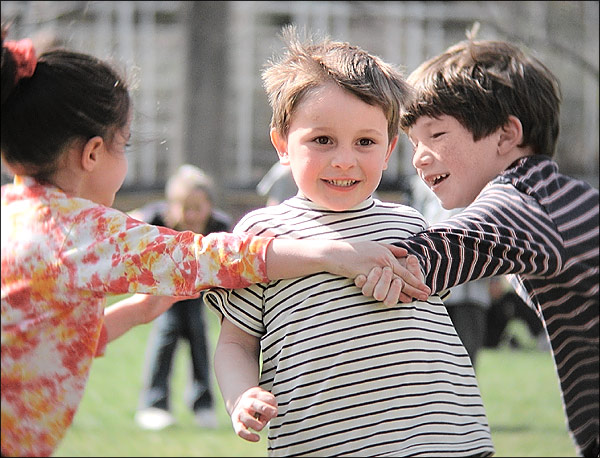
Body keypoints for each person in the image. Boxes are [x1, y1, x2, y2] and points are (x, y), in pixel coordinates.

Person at [0, 30, 429, 457]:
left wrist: (137, 312)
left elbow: (38, 340)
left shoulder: (14, 214)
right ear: (92, 153)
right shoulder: (79, 231)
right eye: (124, 144)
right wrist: (330, 253)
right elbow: (209, 258)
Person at [204, 26, 494, 457]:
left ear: (389, 147)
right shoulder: (262, 236)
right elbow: (234, 344)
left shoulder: (409, 225)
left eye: (365, 142)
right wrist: (241, 396)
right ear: (282, 144)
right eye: (322, 140)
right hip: (324, 443)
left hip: (444, 440)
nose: (345, 159)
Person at [356, 39, 599, 457]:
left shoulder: (522, 198)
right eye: (414, 142)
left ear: (506, 134)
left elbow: (448, 247)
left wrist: (325, 253)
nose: (419, 158)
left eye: (436, 134)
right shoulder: (563, 196)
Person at [133, 165, 229, 430]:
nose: (191, 214)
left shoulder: (219, 226)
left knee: (200, 339)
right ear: (170, 206)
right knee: (166, 335)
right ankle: (154, 404)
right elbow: (129, 226)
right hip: (165, 296)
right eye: (184, 207)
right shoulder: (156, 219)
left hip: (198, 296)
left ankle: (204, 405)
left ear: (209, 204)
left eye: (198, 207)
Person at [410, 174, 490, 368]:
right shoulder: (422, 181)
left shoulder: (479, 177)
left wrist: (494, 279)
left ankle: (463, 397)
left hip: (470, 291)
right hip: (433, 288)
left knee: (465, 357)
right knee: (431, 356)